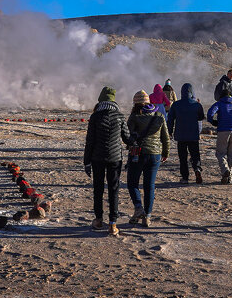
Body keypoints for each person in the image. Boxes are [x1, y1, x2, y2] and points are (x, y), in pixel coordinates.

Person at [84, 86, 131, 236]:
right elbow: (127, 138)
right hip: (115, 158)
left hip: (97, 158)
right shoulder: (119, 116)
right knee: (114, 190)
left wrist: (87, 161)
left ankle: (98, 220)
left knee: (98, 189)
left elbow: (90, 141)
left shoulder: (95, 117)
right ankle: (113, 223)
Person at [126, 91, 169, 227]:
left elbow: (128, 137)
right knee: (149, 185)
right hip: (155, 154)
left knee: (132, 183)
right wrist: (165, 152)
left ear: (135, 103)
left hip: (137, 154)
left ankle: (138, 208)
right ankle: (147, 217)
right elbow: (165, 137)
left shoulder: (134, 117)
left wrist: (130, 144)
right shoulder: (159, 116)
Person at [167, 83, 205, 184]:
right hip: (193, 135)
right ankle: (197, 169)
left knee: (183, 157)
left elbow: (170, 120)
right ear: (191, 92)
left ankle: (185, 178)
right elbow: (201, 117)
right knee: (195, 154)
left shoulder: (176, 104)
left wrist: (169, 132)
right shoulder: (196, 104)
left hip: (181, 135)